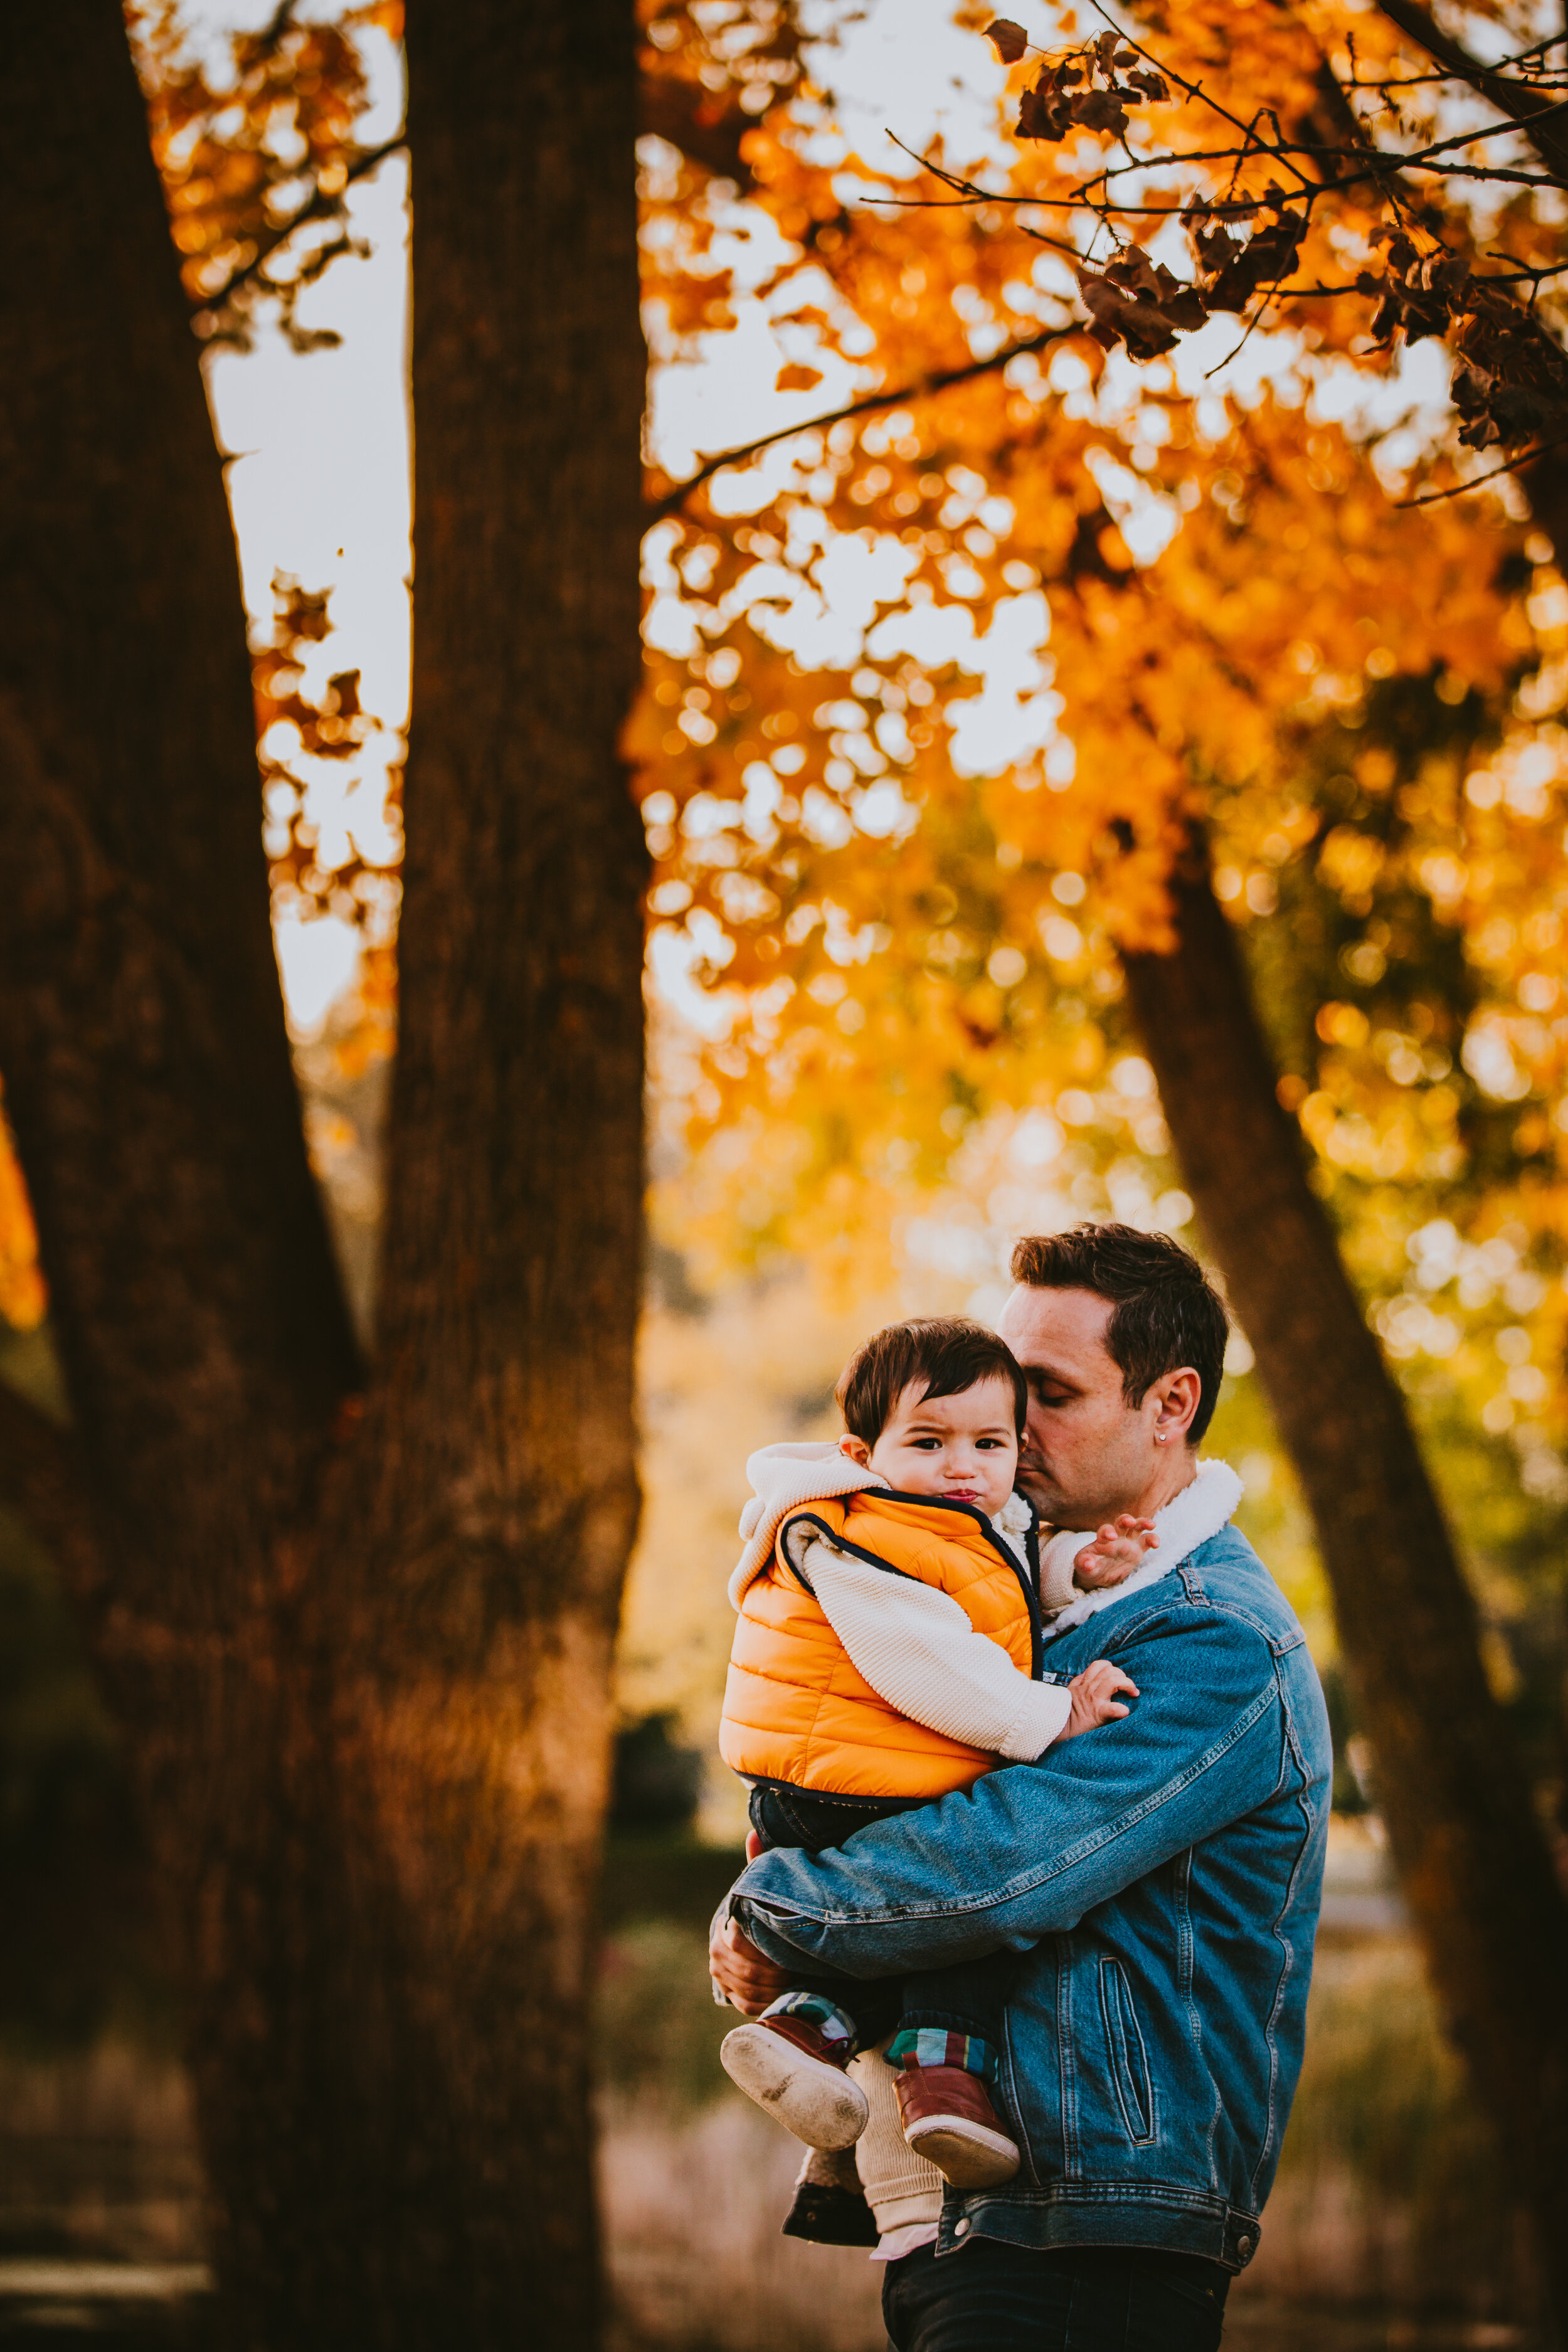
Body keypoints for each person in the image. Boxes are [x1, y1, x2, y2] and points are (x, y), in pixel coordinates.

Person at [711, 1224, 1332, 2352]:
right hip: (975, 2213)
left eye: (1049, 1390)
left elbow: (1000, 1867)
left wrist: (773, 1906)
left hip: (1098, 2229)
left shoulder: (1212, 1639)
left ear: (1171, 1401)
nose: (1007, 1418)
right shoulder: (1018, 1602)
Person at [718, 1316, 1192, 2191]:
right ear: (864, 1453)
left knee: (939, 1907)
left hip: (862, 1770)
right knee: (965, 1891)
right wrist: (1057, 1714)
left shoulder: (956, 1518)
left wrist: (1079, 1573)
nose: (964, 1464)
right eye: (930, 1441)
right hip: (838, 1781)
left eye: (990, 1441)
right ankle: (942, 2075)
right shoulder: (856, 1536)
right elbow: (936, 1666)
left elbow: (989, 1593)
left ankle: (810, 2033)